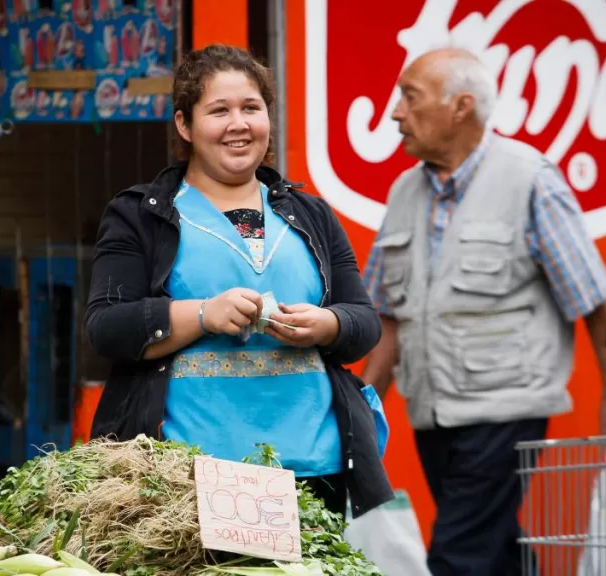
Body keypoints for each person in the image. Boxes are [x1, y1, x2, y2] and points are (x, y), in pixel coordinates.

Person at [359, 47, 606, 575]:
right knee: (495, 547)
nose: (394, 112)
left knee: (459, 556)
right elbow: (389, 315)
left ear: (461, 107)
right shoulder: (403, 192)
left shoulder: (531, 180)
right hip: (433, 413)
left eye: (409, 98)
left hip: (506, 409)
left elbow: (597, 301)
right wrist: (366, 412)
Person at [85, 44, 393, 517]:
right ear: (184, 125)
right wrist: (204, 314)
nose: (239, 124)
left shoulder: (310, 214)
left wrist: (327, 325)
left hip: (314, 466)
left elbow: (364, 321)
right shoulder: (140, 214)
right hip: (188, 473)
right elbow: (107, 326)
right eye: (219, 110)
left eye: (252, 108)